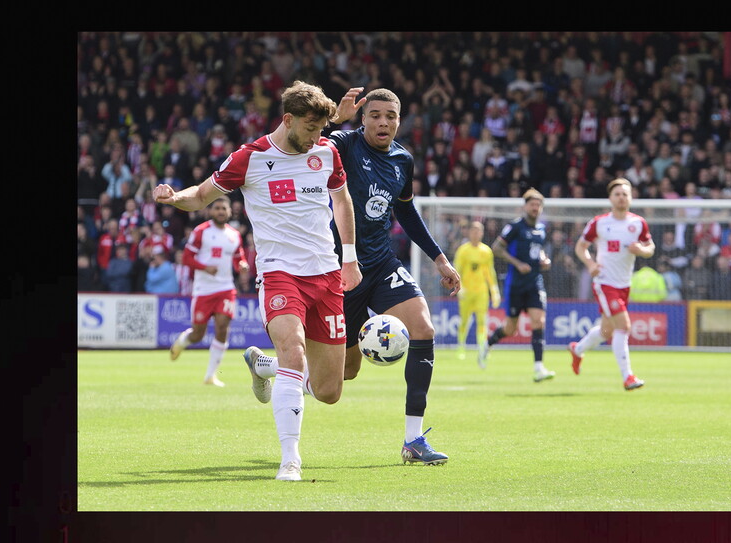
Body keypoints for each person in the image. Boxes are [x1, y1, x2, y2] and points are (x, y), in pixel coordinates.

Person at [153, 81, 363, 482]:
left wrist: (349, 259)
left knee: (329, 391)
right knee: (293, 349)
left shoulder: (326, 150)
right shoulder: (250, 158)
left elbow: (342, 201)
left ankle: (265, 367)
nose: (318, 136)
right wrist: (174, 196)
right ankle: (290, 460)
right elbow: (200, 195)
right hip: (279, 272)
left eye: (322, 129)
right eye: (311, 129)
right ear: (288, 120)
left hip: (326, 272)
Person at [250, 86, 461, 466]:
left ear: (399, 120)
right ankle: (271, 366)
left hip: (381, 265)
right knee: (342, 375)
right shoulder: (343, 144)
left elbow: (407, 213)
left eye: (390, 116)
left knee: (424, 330)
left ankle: (413, 440)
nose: (382, 122)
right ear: (363, 119)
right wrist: (335, 119)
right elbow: (302, 141)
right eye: (375, 115)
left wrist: (439, 259)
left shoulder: (402, 160)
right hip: (338, 271)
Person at [568, 178, 654, 391]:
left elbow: (650, 247)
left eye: (625, 193)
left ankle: (578, 349)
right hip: (605, 283)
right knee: (623, 326)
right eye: (617, 194)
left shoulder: (638, 223)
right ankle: (628, 377)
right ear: (610, 198)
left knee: (607, 331)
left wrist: (641, 251)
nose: (622, 197)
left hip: (625, 284)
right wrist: (590, 264)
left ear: (631, 198)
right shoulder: (599, 222)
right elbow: (581, 247)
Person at [168, 196, 249, 387]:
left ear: (229, 212)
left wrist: (242, 266)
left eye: (224, 209)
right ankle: (183, 341)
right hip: (203, 289)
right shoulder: (201, 231)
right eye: (217, 208)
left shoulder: (234, 235)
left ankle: (210, 375)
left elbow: (239, 258)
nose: (221, 211)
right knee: (198, 334)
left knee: (222, 327)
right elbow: (187, 258)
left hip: (226, 288)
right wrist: (205, 267)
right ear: (211, 211)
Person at [481, 188, 555, 383]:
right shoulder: (514, 227)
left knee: (538, 321)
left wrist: (543, 259)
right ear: (525, 207)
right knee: (511, 328)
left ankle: (538, 367)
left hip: (535, 282)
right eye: (532, 204)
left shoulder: (541, 229)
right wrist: (517, 263)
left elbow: (536, 251)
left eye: (538, 205)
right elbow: (496, 248)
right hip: (516, 284)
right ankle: (488, 344)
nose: (535, 208)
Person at [453, 221, 501, 367]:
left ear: (481, 233)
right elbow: (457, 269)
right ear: (469, 233)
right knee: (465, 321)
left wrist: (494, 290)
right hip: (466, 291)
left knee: (482, 321)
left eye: (478, 231)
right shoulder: (463, 250)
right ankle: (461, 345)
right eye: (473, 231)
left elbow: (489, 272)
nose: (475, 233)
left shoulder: (486, 251)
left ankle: (481, 348)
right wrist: (459, 288)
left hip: (481, 291)